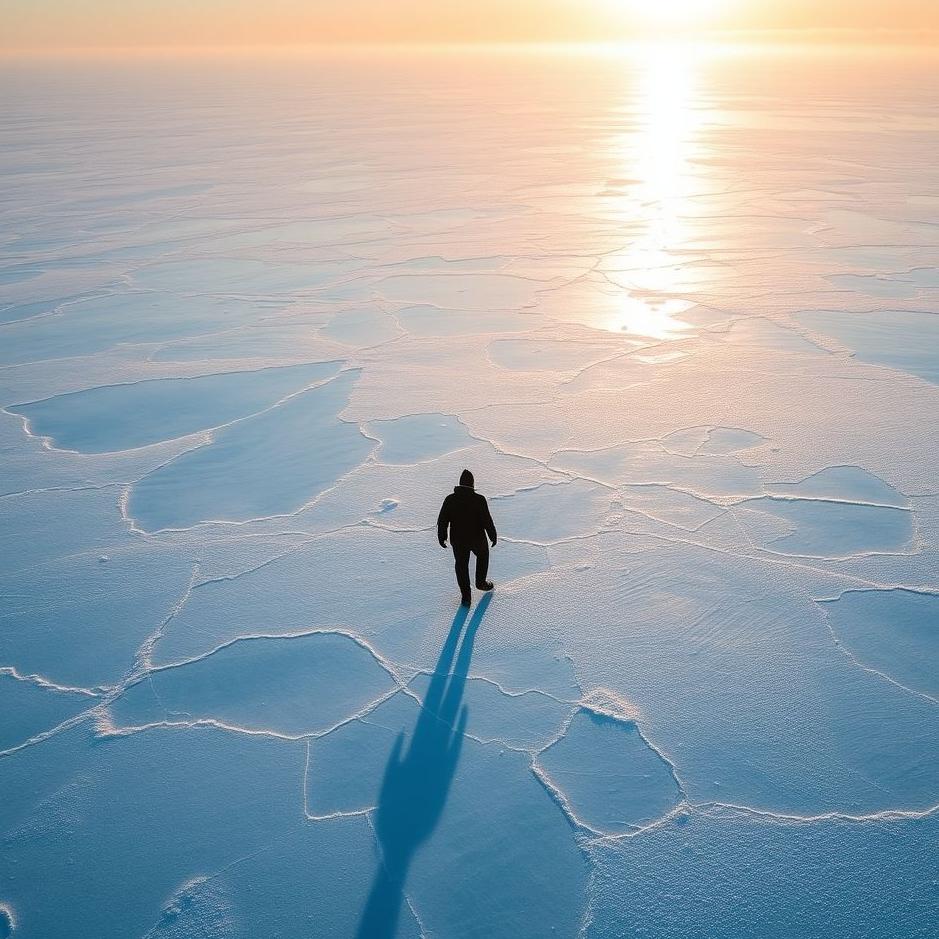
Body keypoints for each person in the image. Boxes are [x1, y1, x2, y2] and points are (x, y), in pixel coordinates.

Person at [437, 469, 497, 607]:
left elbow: (442, 520)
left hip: (458, 540)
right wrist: (492, 535)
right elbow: (487, 520)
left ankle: (466, 597)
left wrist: (442, 537)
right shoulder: (479, 499)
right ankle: (481, 583)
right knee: (483, 556)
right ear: (472, 484)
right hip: (478, 538)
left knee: (461, 565)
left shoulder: (450, 499)